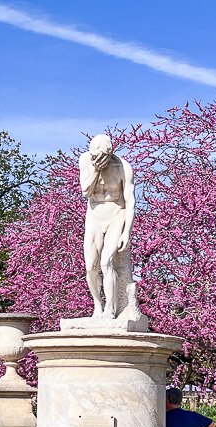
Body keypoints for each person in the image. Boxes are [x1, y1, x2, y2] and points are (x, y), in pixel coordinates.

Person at [79, 134, 136, 319]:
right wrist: (96, 169)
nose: (95, 159)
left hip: (116, 215)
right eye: (93, 155)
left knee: (106, 262)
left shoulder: (123, 167)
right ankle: (98, 305)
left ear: (109, 154)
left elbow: (130, 201)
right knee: (90, 267)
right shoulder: (86, 161)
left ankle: (110, 308)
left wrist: (126, 232)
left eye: (100, 156)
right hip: (95, 215)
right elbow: (86, 191)